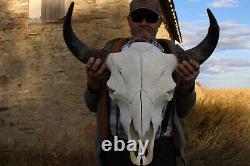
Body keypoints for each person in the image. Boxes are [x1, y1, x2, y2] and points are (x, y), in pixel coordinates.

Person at [84, 0, 200, 165]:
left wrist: (188, 86)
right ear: (129, 20)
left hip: (161, 149)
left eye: (151, 18)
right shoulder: (110, 53)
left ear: (160, 22)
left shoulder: (176, 57)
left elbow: (183, 111)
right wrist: (93, 83)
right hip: (116, 147)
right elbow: (91, 105)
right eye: (138, 17)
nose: (144, 23)